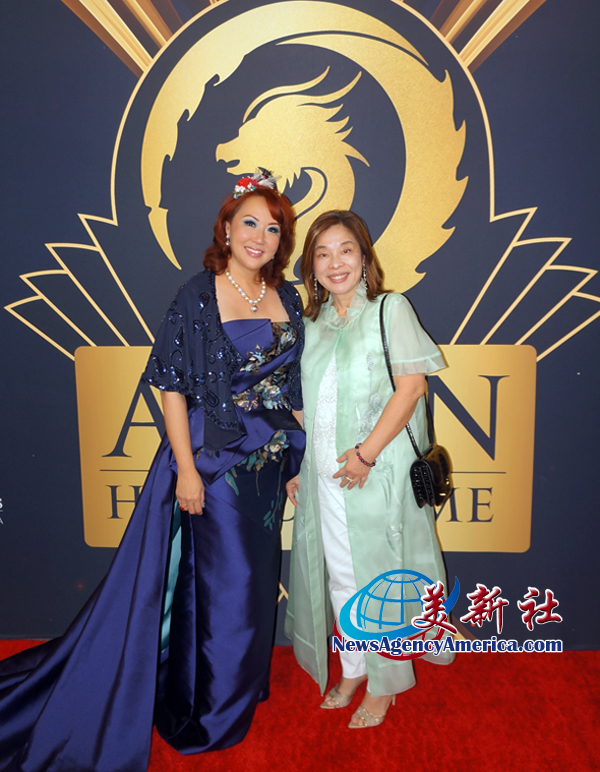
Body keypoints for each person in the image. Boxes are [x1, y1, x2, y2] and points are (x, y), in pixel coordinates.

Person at [0, 169, 305, 772]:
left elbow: (292, 388)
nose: (260, 237)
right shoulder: (198, 294)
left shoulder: (288, 297)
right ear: (225, 228)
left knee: (253, 585)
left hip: (268, 468)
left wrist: (299, 461)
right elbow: (170, 387)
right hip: (212, 465)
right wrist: (186, 470)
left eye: (272, 229)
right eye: (249, 223)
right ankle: (210, 712)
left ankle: (238, 688)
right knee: (227, 589)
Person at [285, 210, 453, 729]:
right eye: (322, 253)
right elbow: (309, 405)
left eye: (346, 250)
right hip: (327, 478)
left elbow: (411, 389)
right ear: (311, 266)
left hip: (377, 474)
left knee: (382, 581)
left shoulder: (389, 310)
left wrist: (365, 455)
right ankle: (356, 668)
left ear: (364, 258)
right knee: (341, 577)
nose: (335, 262)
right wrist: (305, 462)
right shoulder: (311, 325)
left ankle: (387, 685)